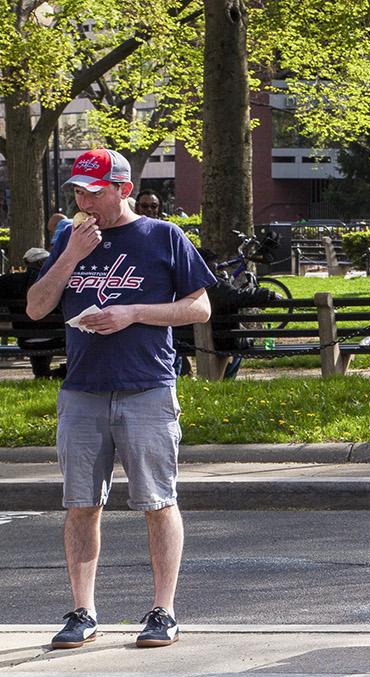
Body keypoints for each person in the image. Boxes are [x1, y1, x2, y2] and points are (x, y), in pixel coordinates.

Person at [28, 148, 217, 650]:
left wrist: (132, 313)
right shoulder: (71, 237)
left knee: (158, 501)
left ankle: (163, 611)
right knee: (81, 505)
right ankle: (83, 612)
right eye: (77, 191)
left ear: (123, 189)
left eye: (93, 191)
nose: (83, 200)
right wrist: (71, 255)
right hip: (82, 391)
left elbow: (199, 309)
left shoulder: (162, 236)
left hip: (147, 389)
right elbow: (36, 307)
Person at [0, 248, 65, 379]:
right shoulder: (59, 282)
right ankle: (61, 372)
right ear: (43, 263)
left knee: (37, 330)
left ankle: (42, 374)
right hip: (57, 339)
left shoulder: (8, 281)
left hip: (25, 340)